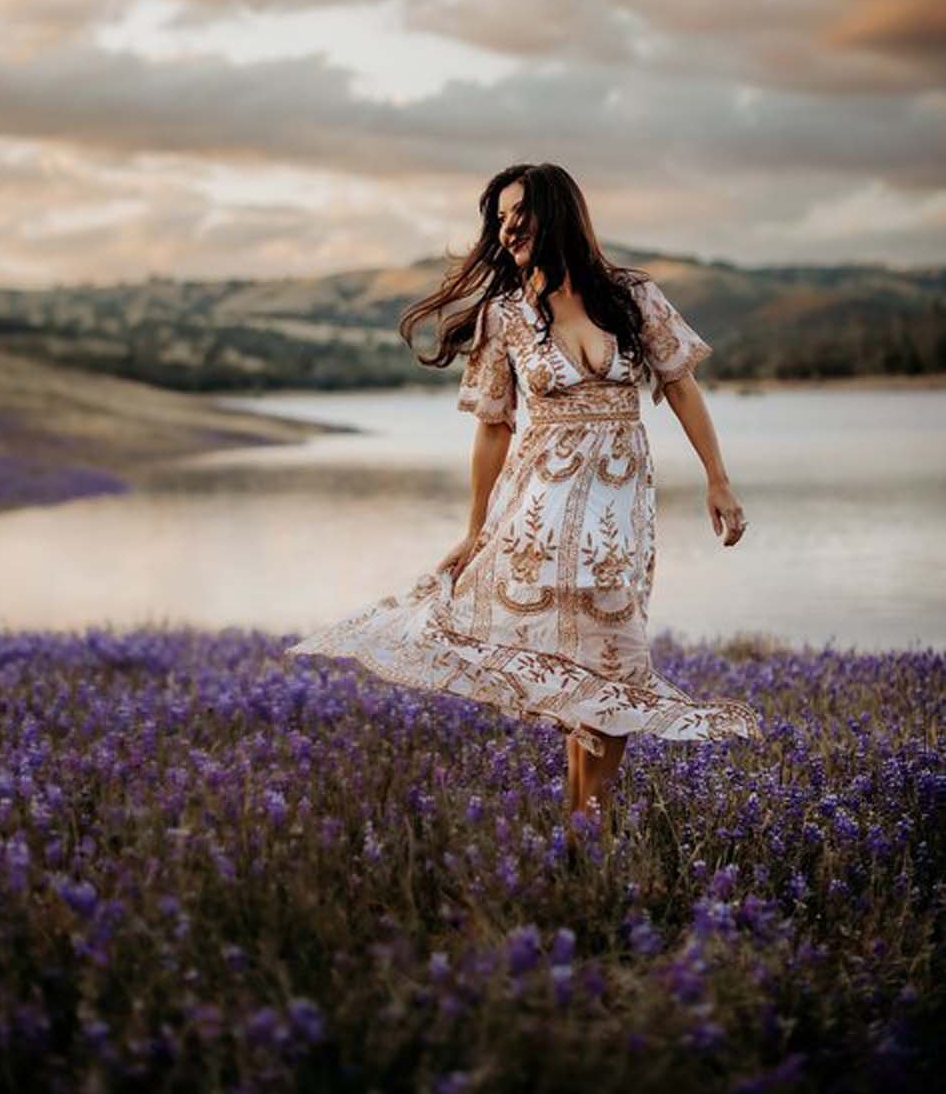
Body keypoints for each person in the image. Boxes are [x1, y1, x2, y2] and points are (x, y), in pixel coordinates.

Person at [285, 162, 762, 820]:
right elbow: (492, 428)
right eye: (499, 220)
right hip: (538, 512)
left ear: (556, 215)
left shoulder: (633, 296)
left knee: (614, 660)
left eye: (519, 216)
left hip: (618, 516)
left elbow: (680, 384)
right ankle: (585, 827)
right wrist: (476, 527)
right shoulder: (504, 316)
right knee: (576, 666)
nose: (507, 230)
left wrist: (718, 479)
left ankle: (581, 820)